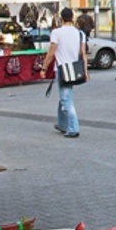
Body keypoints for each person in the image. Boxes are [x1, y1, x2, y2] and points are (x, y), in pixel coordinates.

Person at [39, 7, 87, 138]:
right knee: (64, 97)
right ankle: (62, 123)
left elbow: (51, 53)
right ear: (72, 17)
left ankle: (73, 128)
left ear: (61, 18)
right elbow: (83, 53)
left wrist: (44, 68)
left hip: (62, 69)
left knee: (66, 99)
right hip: (75, 69)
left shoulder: (57, 32)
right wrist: (86, 71)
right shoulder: (80, 33)